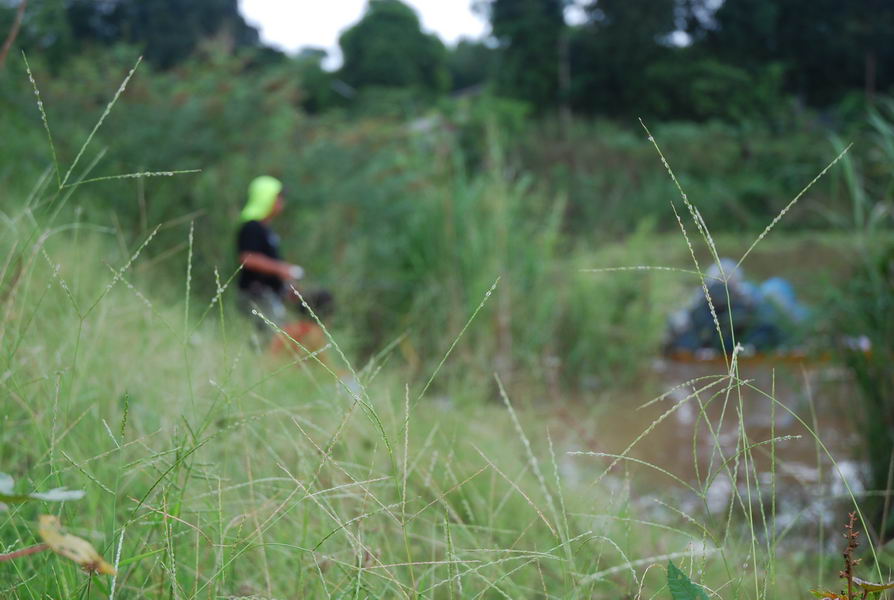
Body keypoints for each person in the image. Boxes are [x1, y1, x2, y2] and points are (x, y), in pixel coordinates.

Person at [235, 175, 331, 359]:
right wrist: (283, 269)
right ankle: (258, 367)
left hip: (271, 294)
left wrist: (287, 287)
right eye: (278, 198)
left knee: (278, 338)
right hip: (256, 294)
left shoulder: (266, 230)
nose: (281, 203)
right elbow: (248, 258)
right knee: (272, 339)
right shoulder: (251, 227)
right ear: (266, 198)